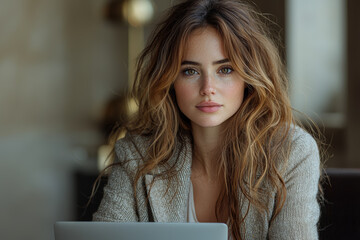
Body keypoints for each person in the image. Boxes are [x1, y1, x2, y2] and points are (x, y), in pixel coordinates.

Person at [93, 0, 322, 239]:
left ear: (249, 77)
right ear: (170, 80)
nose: (208, 88)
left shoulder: (291, 152)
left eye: (225, 69)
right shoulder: (137, 153)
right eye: (190, 71)